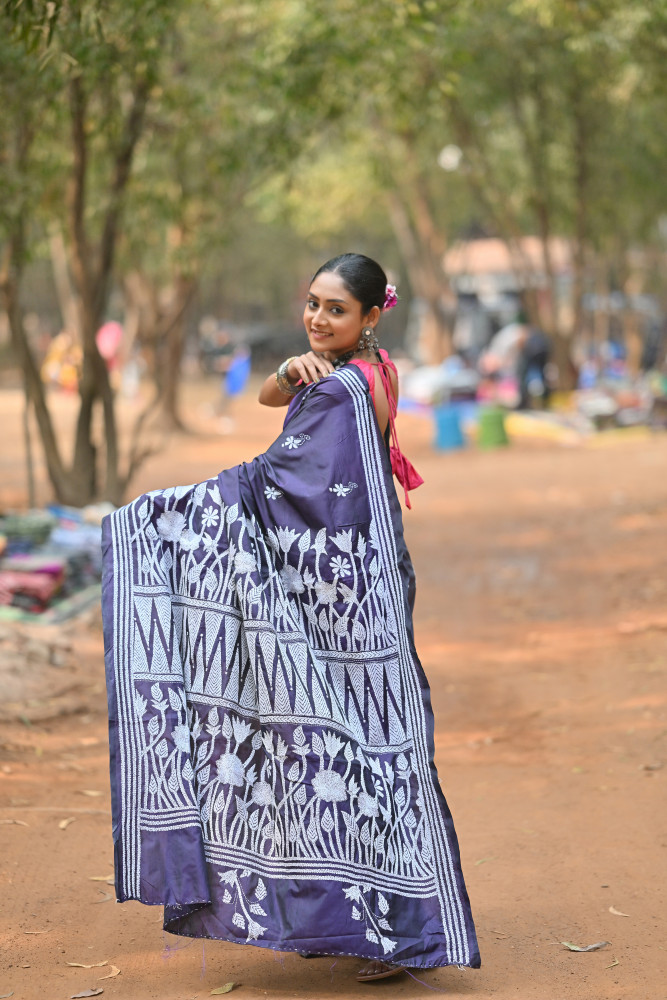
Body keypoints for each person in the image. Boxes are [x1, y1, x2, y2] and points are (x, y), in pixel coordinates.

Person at [101, 253, 480, 983]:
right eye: (312, 303)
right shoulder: (364, 370)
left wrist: (177, 511)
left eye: (335, 310)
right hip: (360, 574)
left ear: (371, 317)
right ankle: (371, 920)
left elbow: (289, 481)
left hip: (339, 594)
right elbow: (272, 403)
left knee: (345, 741)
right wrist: (291, 367)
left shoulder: (343, 390)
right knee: (359, 743)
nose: (317, 317)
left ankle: (384, 931)